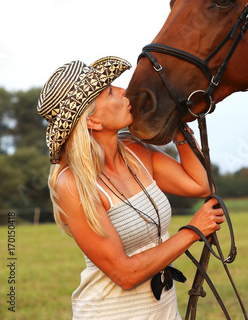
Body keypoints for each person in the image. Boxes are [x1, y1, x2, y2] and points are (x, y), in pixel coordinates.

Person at [37, 56, 225, 320]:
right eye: (109, 91)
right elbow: (125, 274)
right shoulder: (72, 185)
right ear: (92, 121)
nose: (124, 91)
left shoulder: (137, 153)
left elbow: (200, 184)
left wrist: (179, 127)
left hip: (165, 312)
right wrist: (193, 231)